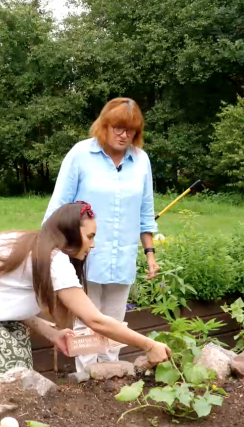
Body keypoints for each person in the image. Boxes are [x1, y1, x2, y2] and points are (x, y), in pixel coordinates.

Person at [0, 202, 171, 398]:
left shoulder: (38, 246)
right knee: (7, 359)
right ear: (70, 234)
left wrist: (50, 332)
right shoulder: (55, 261)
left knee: (16, 340)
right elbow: (95, 320)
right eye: (90, 236)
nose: (93, 244)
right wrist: (148, 344)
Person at [43, 98, 159, 373]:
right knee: (87, 319)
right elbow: (58, 207)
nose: (124, 135)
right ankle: (87, 376)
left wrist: (150, 254)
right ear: (104, 126)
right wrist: (49, 249)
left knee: (116, 319)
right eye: (118, 128)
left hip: (123, 256)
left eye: (131, 130)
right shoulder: (80, 155)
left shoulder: (141, 161)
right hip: (84, 255)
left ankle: (112, 372)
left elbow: (146, 212)